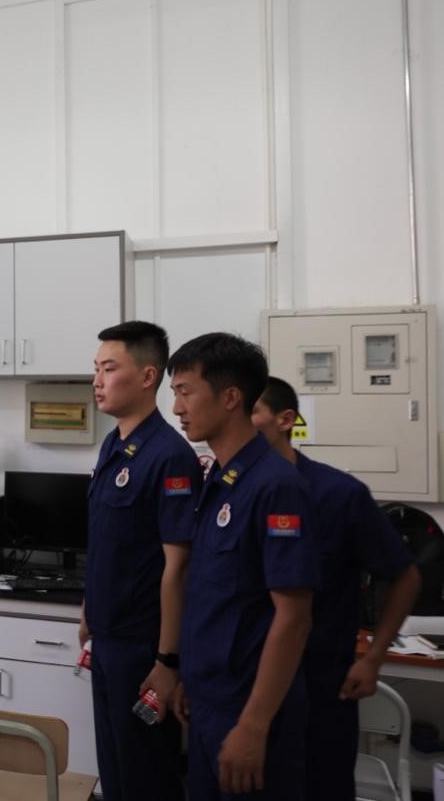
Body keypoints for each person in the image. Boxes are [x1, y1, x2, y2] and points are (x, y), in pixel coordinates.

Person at [251, 375, 420, 801]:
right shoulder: (228, 491)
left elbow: (405, 576)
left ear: (285, 420)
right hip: (244, 682)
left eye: (252, 411)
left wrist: (374, 657)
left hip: (319, 686)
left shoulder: (337, 494)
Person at [168, 333, 319, 800]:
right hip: (210, 699)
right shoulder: (220, 479)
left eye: (185, 392)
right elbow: (216, 593)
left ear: (230, 397)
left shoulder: (275, 486)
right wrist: (191, 677)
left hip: (251, 711)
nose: (177, 408)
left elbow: (293, 617)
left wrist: (254, 724)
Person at [83, 321, 198, 801]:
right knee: (114, 773)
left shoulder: (170, 457)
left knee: (146, 777)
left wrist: (168, 660)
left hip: (143, 647)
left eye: (110, 369)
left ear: (148, 376)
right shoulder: (113, 444)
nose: (98, 381)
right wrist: (89, 609)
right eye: (96, 369)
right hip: (108, 637)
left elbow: (179, 567)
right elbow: (107, 540)